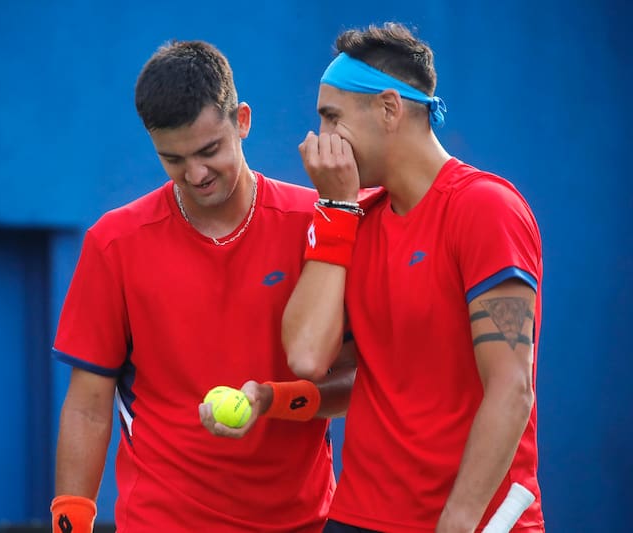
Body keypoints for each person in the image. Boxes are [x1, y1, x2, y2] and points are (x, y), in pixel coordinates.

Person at [49, 40, 355, 533]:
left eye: (209, 150)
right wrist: (69, 520)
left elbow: (358, 382)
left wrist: (270, 400)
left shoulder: (318, 224)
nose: (195, 174)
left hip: (301, 522)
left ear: (243, 121)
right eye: (172, 159)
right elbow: (87, 407)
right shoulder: (113, 243)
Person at [282, 23, 545, 532]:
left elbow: (512, 387)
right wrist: (335, 207)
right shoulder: (352, 217)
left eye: (332, 117)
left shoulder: (486, 209)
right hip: (360, 516)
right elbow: (308, 358)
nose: (320, 140)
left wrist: (460, 518)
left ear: (387, 109)